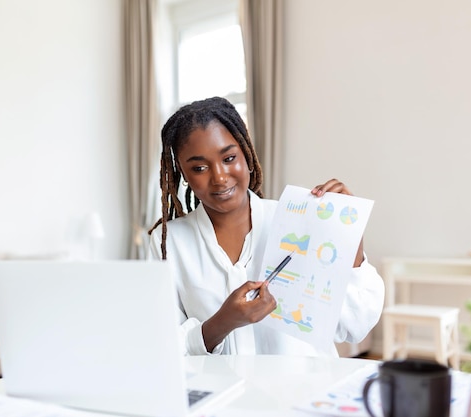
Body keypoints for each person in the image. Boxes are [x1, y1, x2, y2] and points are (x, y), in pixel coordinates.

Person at [148, 96, 384, 356]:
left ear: (246, 154)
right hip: (226, 395)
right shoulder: (169, 243)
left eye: (229, 158)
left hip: (305, 391)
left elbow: (356, 324)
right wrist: (221, 323)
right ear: (183, 174)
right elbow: (160, 345)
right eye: (200, 167)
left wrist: (350, 236)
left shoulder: (302, 222)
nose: (219, 177)